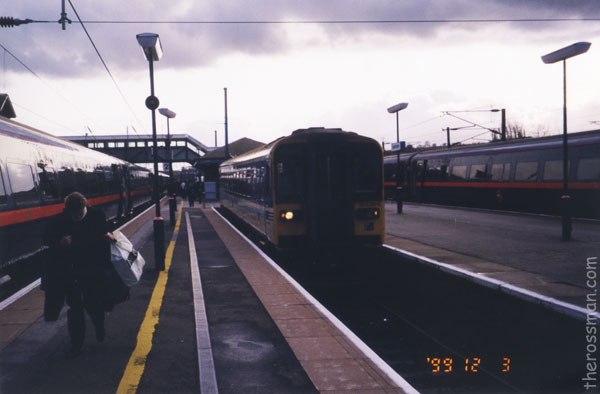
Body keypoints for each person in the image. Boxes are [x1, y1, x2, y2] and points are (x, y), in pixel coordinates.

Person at [43, 192, 114, 359]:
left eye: (79, 213)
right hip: (71, 271)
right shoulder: (59, 220)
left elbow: (106, 232)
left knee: (94, 303)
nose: (76, 217)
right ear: (67, 210)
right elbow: (47, 240)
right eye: (73, 214)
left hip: (93, 268)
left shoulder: (97, 215)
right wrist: (59, 243)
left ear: (85, 206)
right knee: (75, 308)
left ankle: (99, 325)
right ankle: (76, 346)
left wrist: (109, 236)